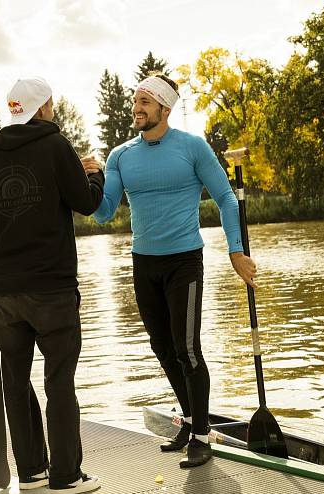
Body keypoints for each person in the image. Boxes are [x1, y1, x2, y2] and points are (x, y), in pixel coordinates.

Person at [87, 74, 257, 468]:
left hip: (184, 261)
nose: (137, 108)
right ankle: (191, 420)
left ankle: (201, 435)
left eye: (145, 102)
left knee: (188, 349)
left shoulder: (192, 148)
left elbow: (227, 200)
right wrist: (90, 180)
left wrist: (236, 251)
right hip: (144, 263)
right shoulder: (120, 156)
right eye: (135, 101)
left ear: (164, 108)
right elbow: (103, 213)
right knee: (162, 347)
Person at [0, 77, 104, 494]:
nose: (54, 111)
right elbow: (86, 202)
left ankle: (30, 472)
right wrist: (93, 175)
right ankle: (66, 476)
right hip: (54, 289)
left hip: (6, 294)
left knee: (15, 379)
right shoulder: (56, 146)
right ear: (41, 108)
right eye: (53, 105)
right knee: (59, 380)